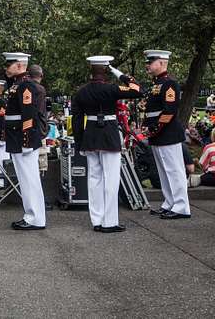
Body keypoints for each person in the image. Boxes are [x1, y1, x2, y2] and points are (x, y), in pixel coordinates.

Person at [71, 56, 142, 233]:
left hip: (90, 136)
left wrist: (80, 142)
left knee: (94, 179)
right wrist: (120, 74)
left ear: (91, 71)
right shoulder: (112, 88)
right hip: (109, 135)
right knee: (110, 179)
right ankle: (109, 221)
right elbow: (138, 90)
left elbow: (77, 121)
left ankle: (96, 219)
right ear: (106, 71)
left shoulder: (81, 92)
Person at [143, 50, 191, 219]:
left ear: (162, 63)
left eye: (151, 61)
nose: (147, 65)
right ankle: (169, 203)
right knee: (164, 171)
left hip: (167, 133)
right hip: (158, 133)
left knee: (174, 170)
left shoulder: (169, 84)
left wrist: (156, 128)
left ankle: (181, 207)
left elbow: (169, 110)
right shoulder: (157, 84)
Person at [3, 52, 46, 230]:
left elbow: (28, 115)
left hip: (23, 139)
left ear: (20, 66)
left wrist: (27, 142)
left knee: (30, 179)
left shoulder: (25, 86)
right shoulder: (16, 84)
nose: (6, 68)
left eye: (9, 64)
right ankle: (30, 215)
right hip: (17, 137)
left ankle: (36, 218)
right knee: (25, 178)